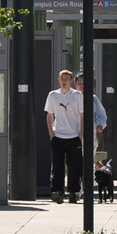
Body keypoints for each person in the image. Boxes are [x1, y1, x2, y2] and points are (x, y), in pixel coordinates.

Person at [45, 69, 84, 204]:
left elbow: (82, 115)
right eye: (62, 79)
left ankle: (73, 192)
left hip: (74, 136)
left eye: (66, 79)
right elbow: (50, 115)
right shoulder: (53, 95)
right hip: (58, 135)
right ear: (58, 80)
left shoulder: (77, 95)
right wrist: (51, 133)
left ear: (71, 81)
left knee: (74, 166)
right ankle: (58, 191)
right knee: (57, 165)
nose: (64, 81)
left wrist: (81, 134)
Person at [75, 72, 106, 152]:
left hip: (89, 135)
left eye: (84, 83)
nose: (82, 85)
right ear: (75, 83)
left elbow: (101, 114)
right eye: (79, 82)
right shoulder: (71, 97)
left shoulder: (93, 98)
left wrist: (100, 124)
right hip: (73, 134)